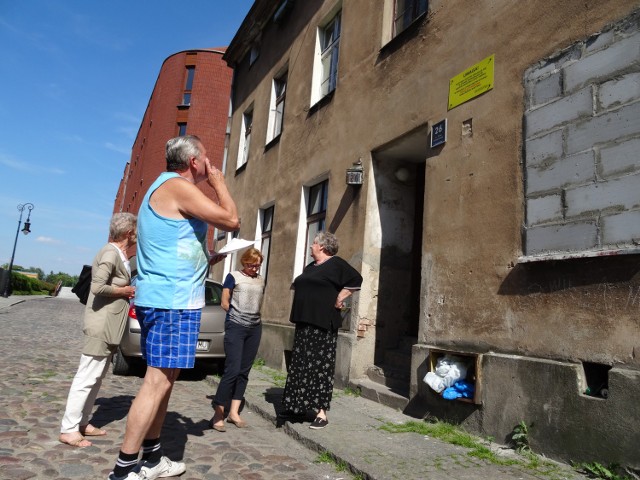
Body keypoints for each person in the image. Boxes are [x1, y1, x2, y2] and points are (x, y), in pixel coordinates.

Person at [108, 135, 239, 480]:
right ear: (194, 161)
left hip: (167, 298)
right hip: (172, 302)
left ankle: (151, 459)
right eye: (207, 158)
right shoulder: (178, 187)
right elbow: (231, 219)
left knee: (166, 380)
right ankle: (123, 470)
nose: (210, 164)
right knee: (156, 382)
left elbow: (173, 244)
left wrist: (205, 257)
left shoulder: (162, 187)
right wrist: (220, 183)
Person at [59, 212, 137, 448]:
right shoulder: (110, 252)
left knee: (96, 378)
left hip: (110, 325)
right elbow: (97, 286)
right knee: (86, 377)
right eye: (135, 230)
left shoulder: (121, 254)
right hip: (101, 325)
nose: (137, 234)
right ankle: (69, 428)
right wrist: (124, 291)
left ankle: (82, 422)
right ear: (127, 233)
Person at [280, 231, 362, 430]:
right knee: (300, 365)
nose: (310, 246)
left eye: (313, 243)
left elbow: (356, 280)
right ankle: (297, 405)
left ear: (323, 247)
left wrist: (340, 297)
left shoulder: (336, 264)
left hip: (322, 324)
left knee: (319, 369)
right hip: (304, 322)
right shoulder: (311, 267)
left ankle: (321, 414)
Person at [210, 248, 265, 432]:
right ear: (245, 262)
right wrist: (236, 316)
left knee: (244, 371)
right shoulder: (233, 276)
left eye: (257, 265)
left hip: (255, 327)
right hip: (236, 326)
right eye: (251, 265)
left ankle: (234, 412)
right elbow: (224, 302)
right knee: (232, 370)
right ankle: (218, 413)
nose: (254, 269)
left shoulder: (260, 280)